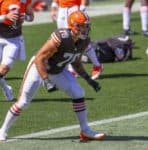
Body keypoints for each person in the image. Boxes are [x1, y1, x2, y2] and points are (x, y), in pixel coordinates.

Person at [0, 10, 106, 141]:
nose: (86, 29)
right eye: (83, 26)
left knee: (78, 93)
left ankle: (85, 131)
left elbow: (76, 62)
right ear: (74, 25)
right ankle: (2, 130)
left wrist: (89, 80)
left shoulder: (84, 41)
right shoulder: (61, 37)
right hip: (38, 68)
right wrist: (46, 79)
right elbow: (39, 58)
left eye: (87, 26)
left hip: (57, 70)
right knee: (23, 102)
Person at [50, 0, 103, 80]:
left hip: (74, 9)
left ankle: (97, 65)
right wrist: (54, 8)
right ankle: (72, 70)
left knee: (81, 40)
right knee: (65, 40)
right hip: (61, 10)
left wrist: (82, 8)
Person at [0, 0, 34, 101]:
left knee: (4, 68)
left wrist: (25, 17)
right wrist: (5, 17)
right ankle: (6, 88)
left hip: (14, 40)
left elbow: (31, 17)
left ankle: (6, 88)